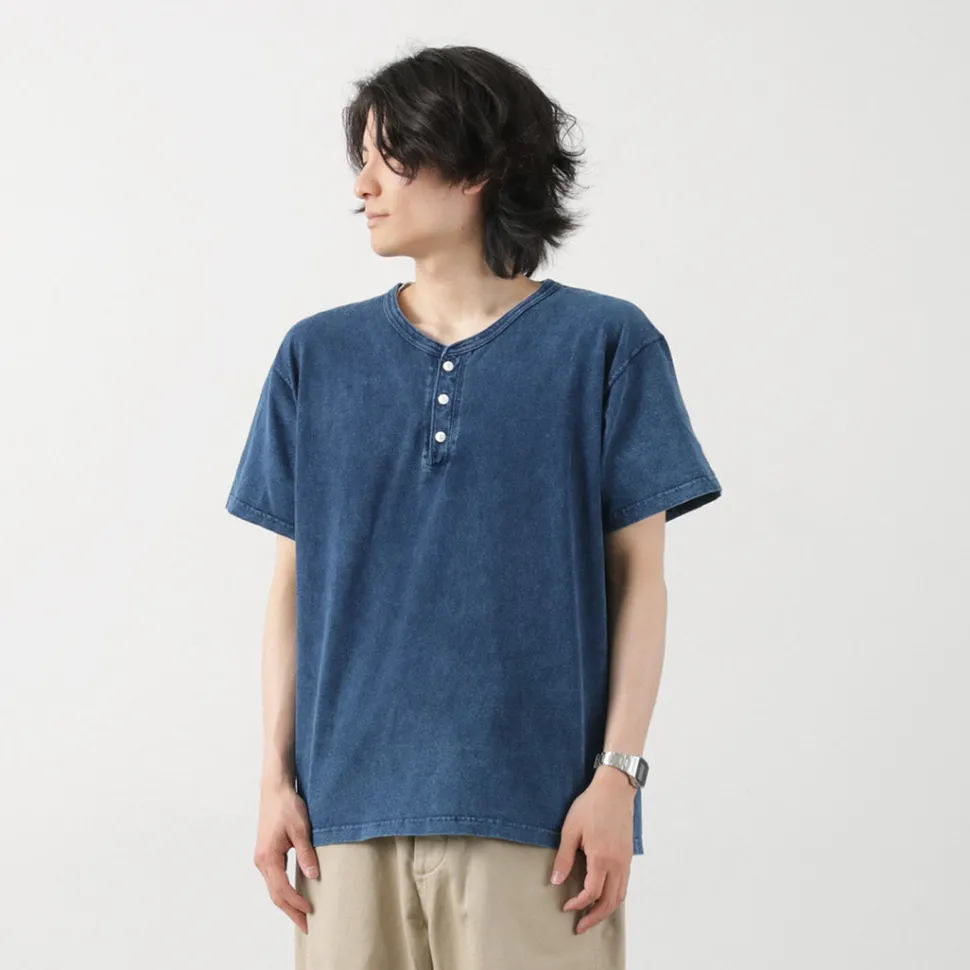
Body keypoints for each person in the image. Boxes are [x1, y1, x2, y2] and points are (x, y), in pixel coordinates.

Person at [225, 44, 722, 970]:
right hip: (343, 823)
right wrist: (273, 781)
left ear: (476, 167)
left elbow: (642, 583)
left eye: (389, 157)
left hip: (538, 819)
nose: (363, 186)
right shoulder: (315, 357)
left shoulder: (605, 344)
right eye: (360, 161)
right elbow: (292, 589)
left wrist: (618, 780)